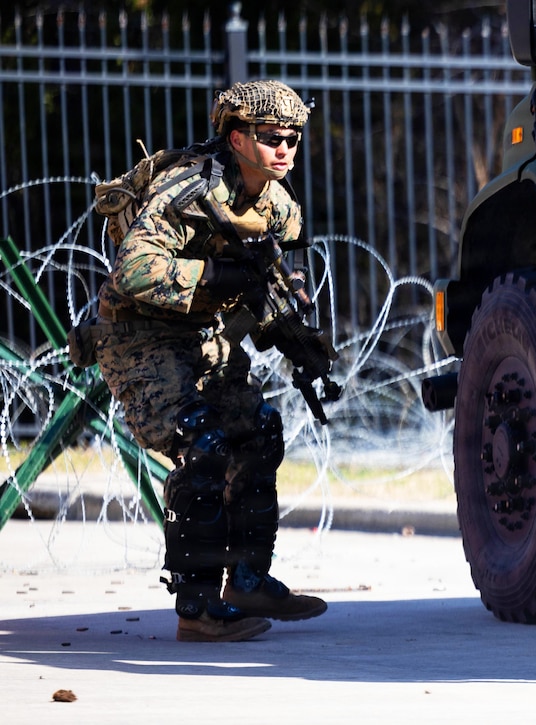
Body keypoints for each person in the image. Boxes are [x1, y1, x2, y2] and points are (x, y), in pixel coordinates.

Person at [93, 79, 327, 642]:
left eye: (293, 138)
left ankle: (246, 578)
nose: (285, 149)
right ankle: (195, 608)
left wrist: (289, 316)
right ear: (237, 138)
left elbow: (265, 272)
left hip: (201, 335)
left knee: (260, 430)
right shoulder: (187, 190)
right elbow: (131, 271)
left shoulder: (275, 201)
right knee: (203, 445)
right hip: (139, 336)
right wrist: (213, 277)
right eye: (272, 137)